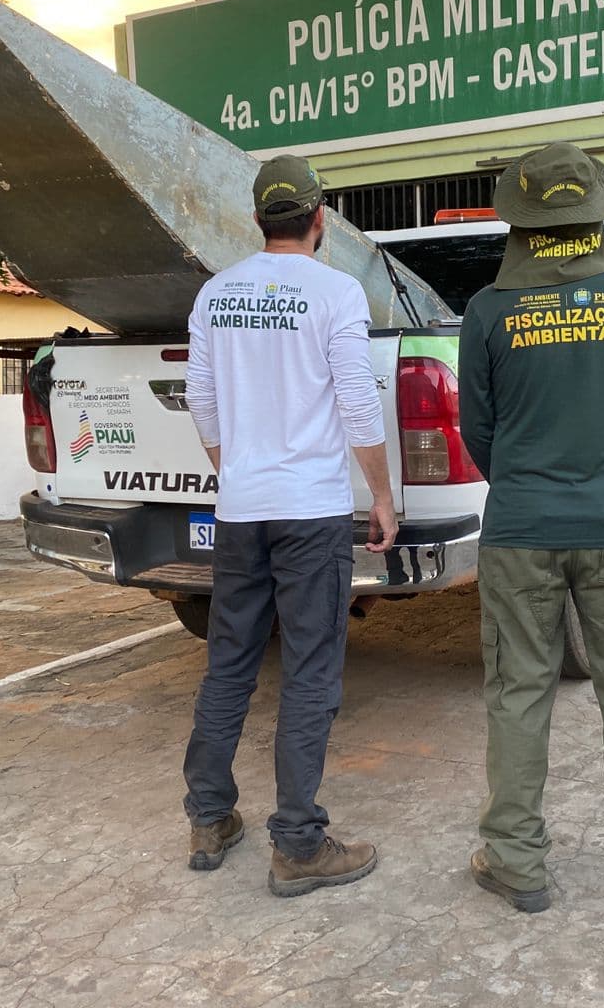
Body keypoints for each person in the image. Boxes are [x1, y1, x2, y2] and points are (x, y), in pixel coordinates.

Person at [457, 141, 604, 913]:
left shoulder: (489, 312)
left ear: (520, 222)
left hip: (519, 529)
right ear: (599, 216)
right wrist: (600, 472)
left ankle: (517, 863)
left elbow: (477, 432)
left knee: (518, 693)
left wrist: (528, 481)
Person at [182, 154, 399, 898]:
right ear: (319, 220)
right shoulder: (337, 293)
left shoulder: (216, 294)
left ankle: (210, 818)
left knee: (230, 662)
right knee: (310, 672)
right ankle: (299, 845)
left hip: (242, 509)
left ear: (256, 220)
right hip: (308, 512)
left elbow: (202, 401)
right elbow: (358, 406)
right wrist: (382, 495)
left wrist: (235, 471)